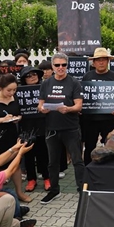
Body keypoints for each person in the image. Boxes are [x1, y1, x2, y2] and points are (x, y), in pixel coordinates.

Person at [37, 52, 84, 204]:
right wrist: (42, 109)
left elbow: (78, 105)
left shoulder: (74, 82)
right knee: (52, 162)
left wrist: (68, 109)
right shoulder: (46, 83)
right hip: (51, 127)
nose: (60, 67)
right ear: (52, 66)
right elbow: (40, 103)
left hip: (70, 127)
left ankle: (81, 190)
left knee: (77, 160)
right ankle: (54, 190)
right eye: (57, 65)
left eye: (63, 65)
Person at [0, 73, 30, 203]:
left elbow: (20, 114)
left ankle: (19, 192)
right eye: (9, 90)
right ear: (0, 87)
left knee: (16, 164)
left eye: (14, 90)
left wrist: (17, 118)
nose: (11, 93)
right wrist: (3, 119)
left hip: (12, 135)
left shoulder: (15, 98)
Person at [80, 48, 114, 165]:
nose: (101, 62)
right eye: (98, 60)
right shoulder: (87, 76)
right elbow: (83, 95)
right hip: (90, 119)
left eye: (103, 60)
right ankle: (88, 169)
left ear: (108, 61)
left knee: (109, 145)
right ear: (93, 63)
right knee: (89, 146)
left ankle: (109, 169)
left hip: (108, 118)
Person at [19, 66, 50, 192]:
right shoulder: (18, 91)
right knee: (29, 155)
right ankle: (31, 179)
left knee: (44, 153)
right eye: (28, 75)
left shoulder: (46, 88)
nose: (32, 77)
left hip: (43, 125)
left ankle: (47, 177)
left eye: (34, 75)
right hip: (26, 127)